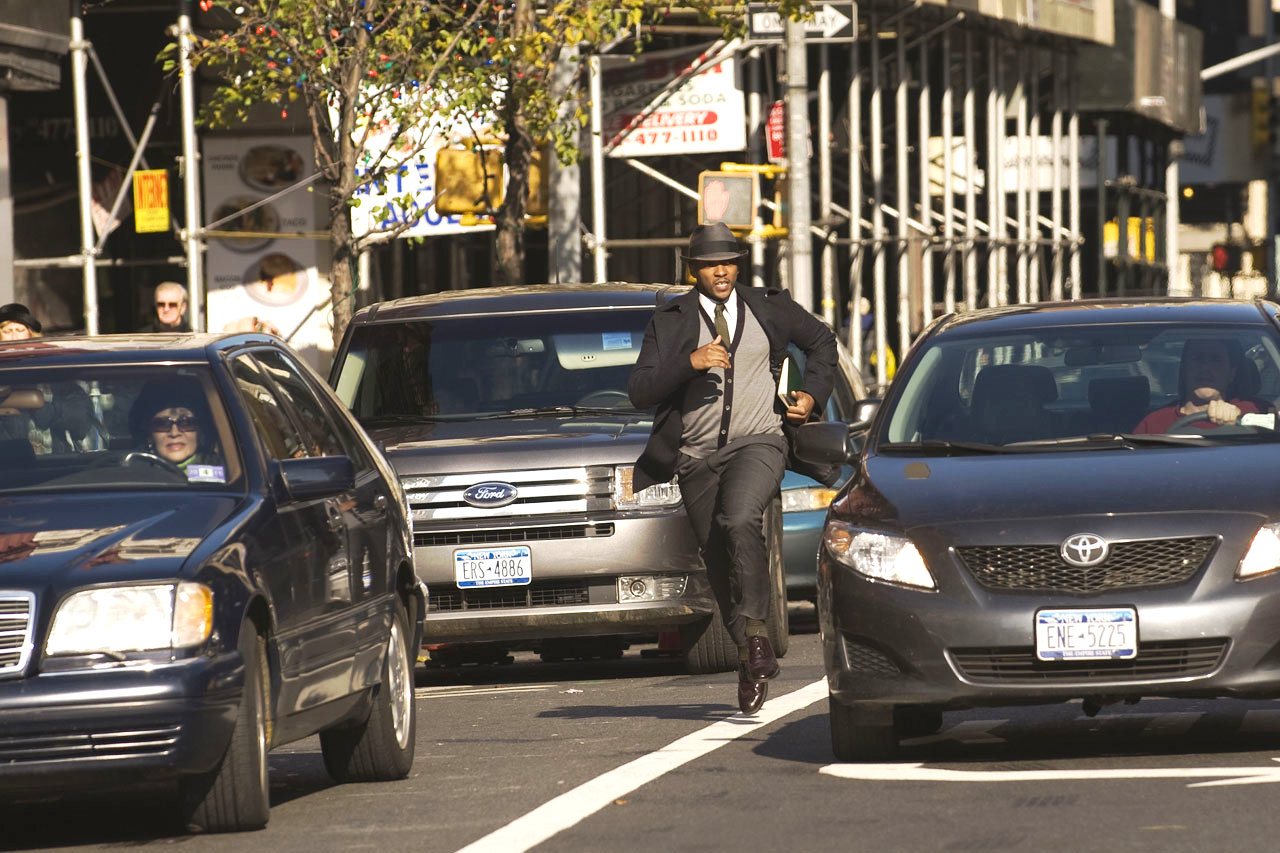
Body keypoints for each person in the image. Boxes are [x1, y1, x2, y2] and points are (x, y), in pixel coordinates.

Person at [628, 221, 837, 715]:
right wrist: (691, 362)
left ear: (737, 266)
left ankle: (760, 636)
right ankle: (748, 653)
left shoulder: (769, 307)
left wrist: (811, 395)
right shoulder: (671, 320)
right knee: (717, 558)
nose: (721, 271)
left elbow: (822, 342)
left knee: (740, 518)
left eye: (728, 262)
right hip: (695, 457)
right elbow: (640, 391)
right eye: (710, 265)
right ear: (693, 271)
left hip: (760, 442)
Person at [0, 303, 93, 454]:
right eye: (8, 331)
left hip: (56, 464)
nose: (14, 336)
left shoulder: (51, 370)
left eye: (20, 330)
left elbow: (82, 423)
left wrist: (51, 411)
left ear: (30, 333)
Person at [1133, 338, 1261, 433]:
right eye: (1197, 359)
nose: (1205, 368)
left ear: (1232, 373)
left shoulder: (1258, 412)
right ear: (1184, 370)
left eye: (1216, 360)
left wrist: (1241, 418)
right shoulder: (1154, 423)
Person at [128, 378, 224, 476]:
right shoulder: (133, 476)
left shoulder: (226, 472)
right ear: (149, 435)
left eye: (186, 422)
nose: (174, 433)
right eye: (162, 424)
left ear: (199, 431)